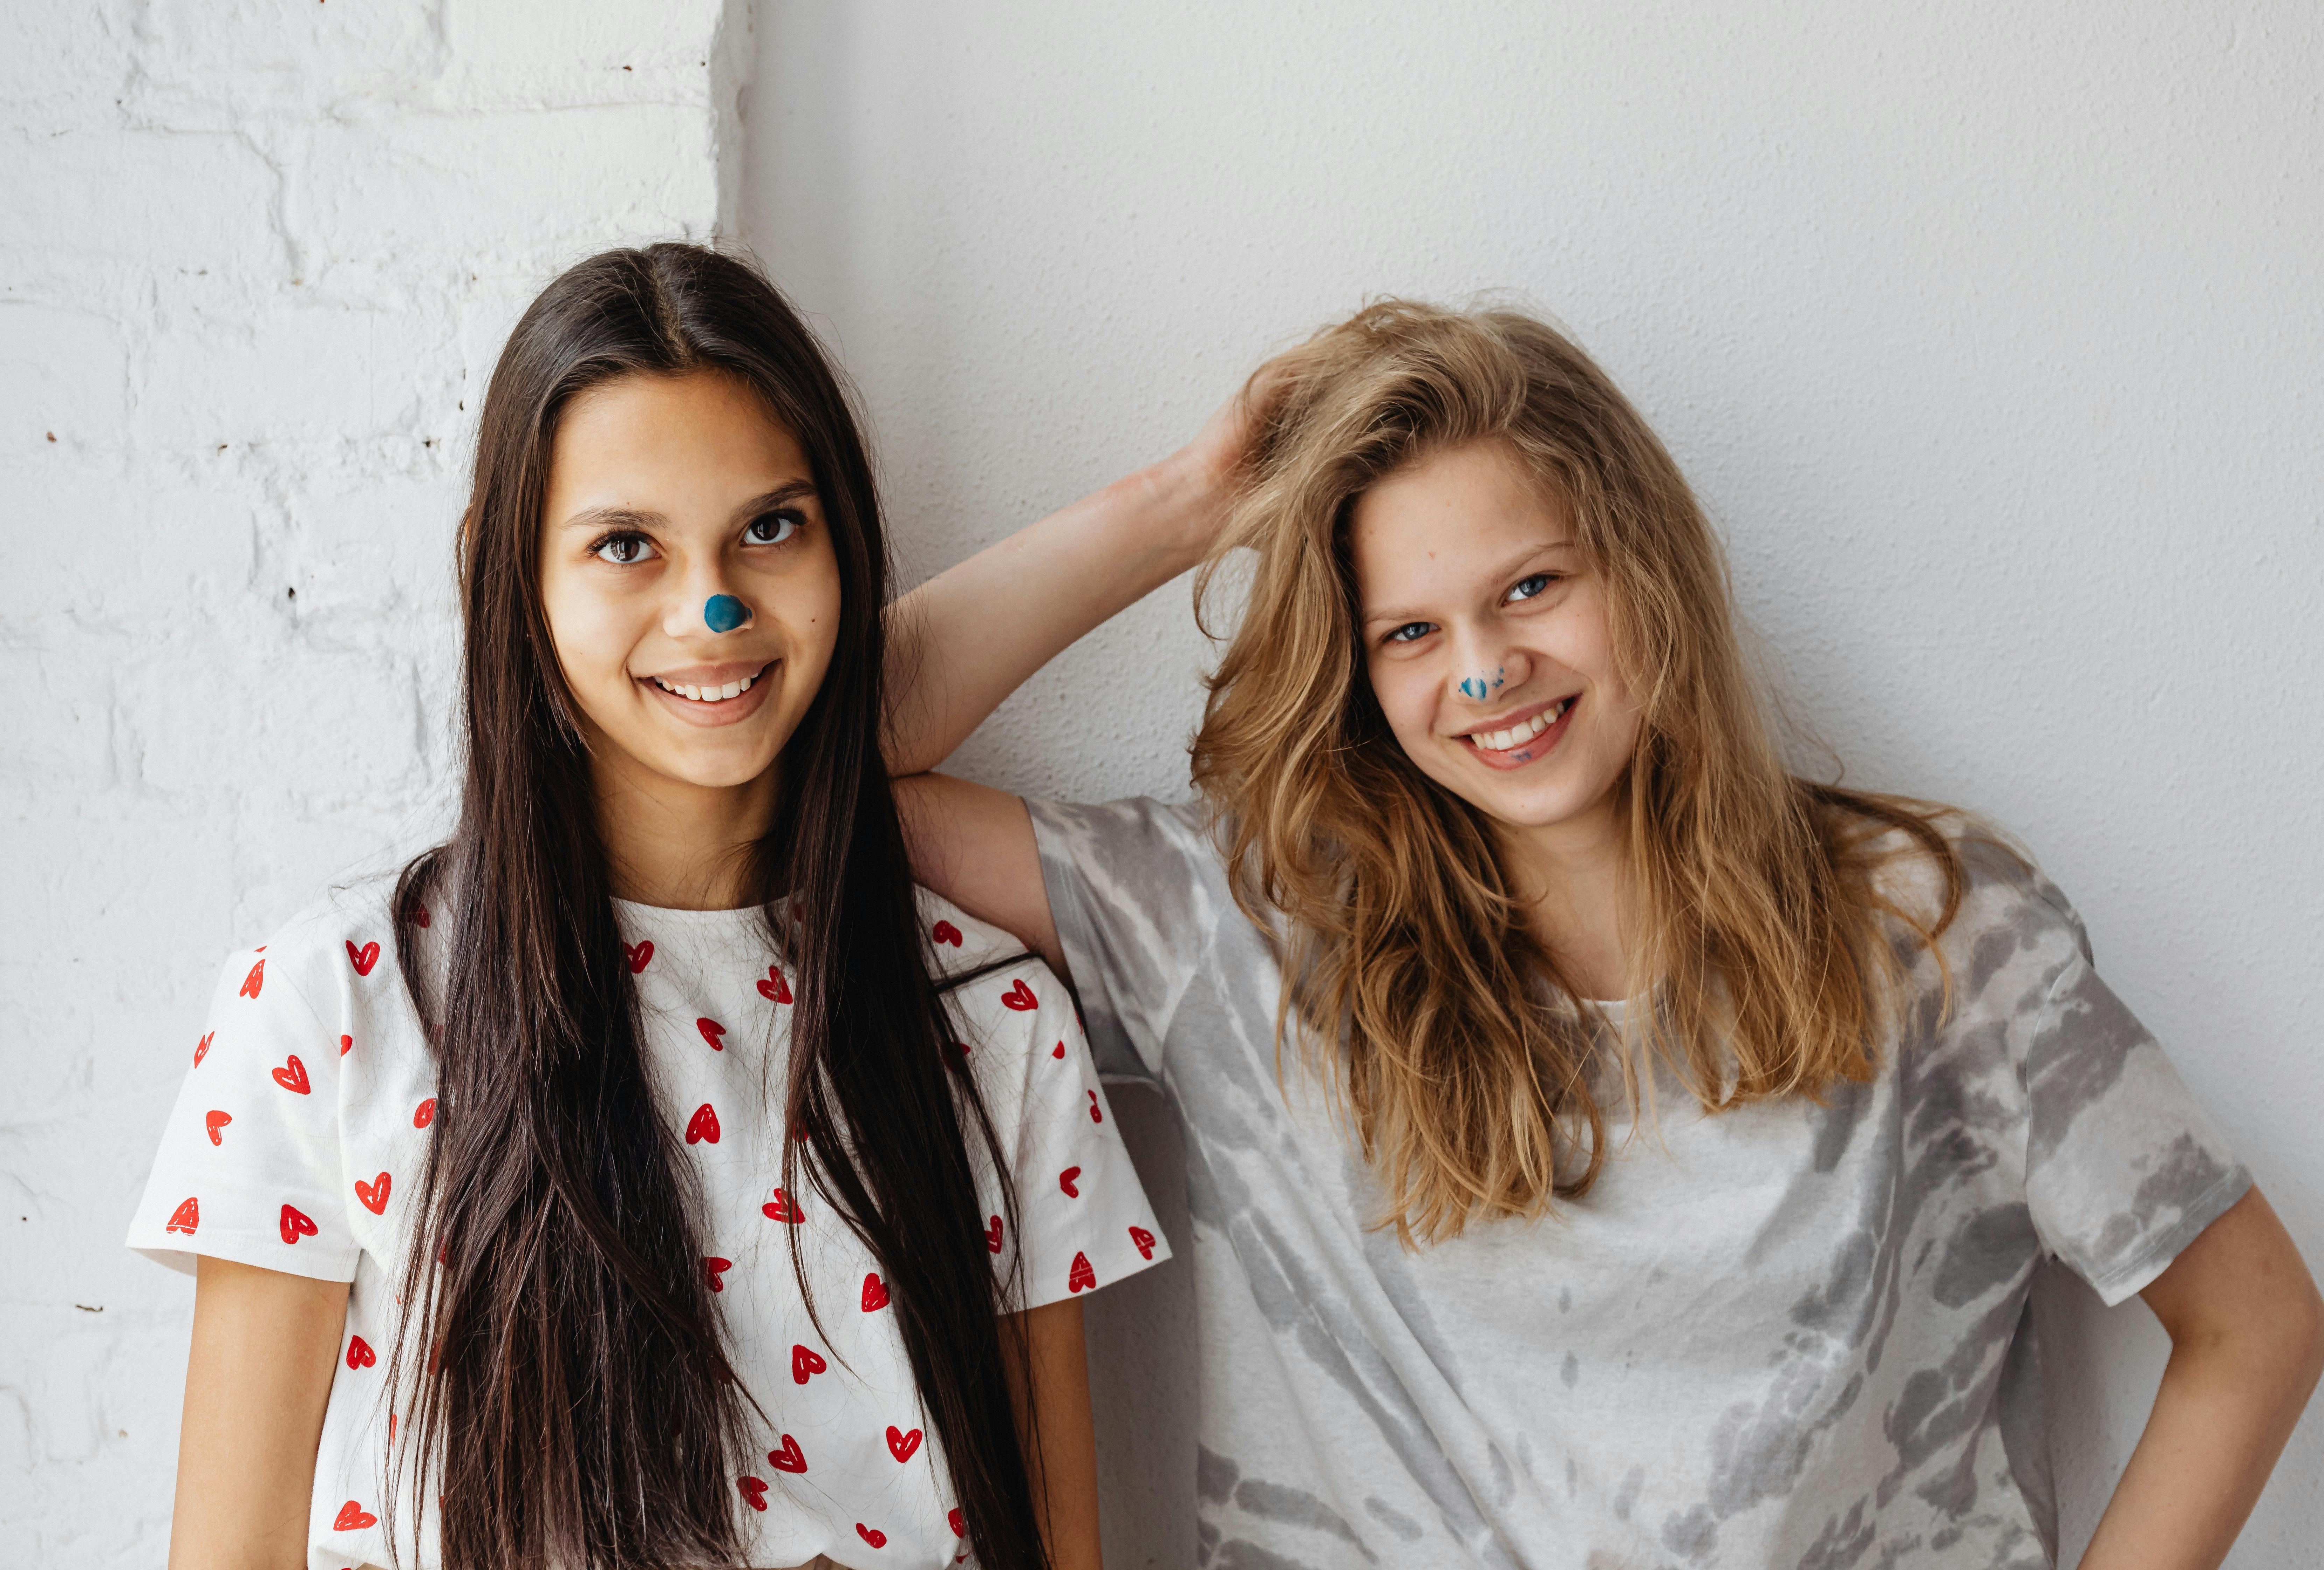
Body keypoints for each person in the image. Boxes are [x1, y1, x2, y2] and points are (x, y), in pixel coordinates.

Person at [887, 300, 2324, 1568]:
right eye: (1410, 632)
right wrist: (1181, 505)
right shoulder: (1249, 932)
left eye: (1530, 586)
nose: (1485, 668)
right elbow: (813, 774)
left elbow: (2255, 1322)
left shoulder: (1936, 931)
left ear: (1642, 567)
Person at [127, 244, 1169, 1570]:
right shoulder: (337, 999)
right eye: (628, 545)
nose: (714, 606)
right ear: (511, 574)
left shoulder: (991, 1015)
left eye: (771, 527)